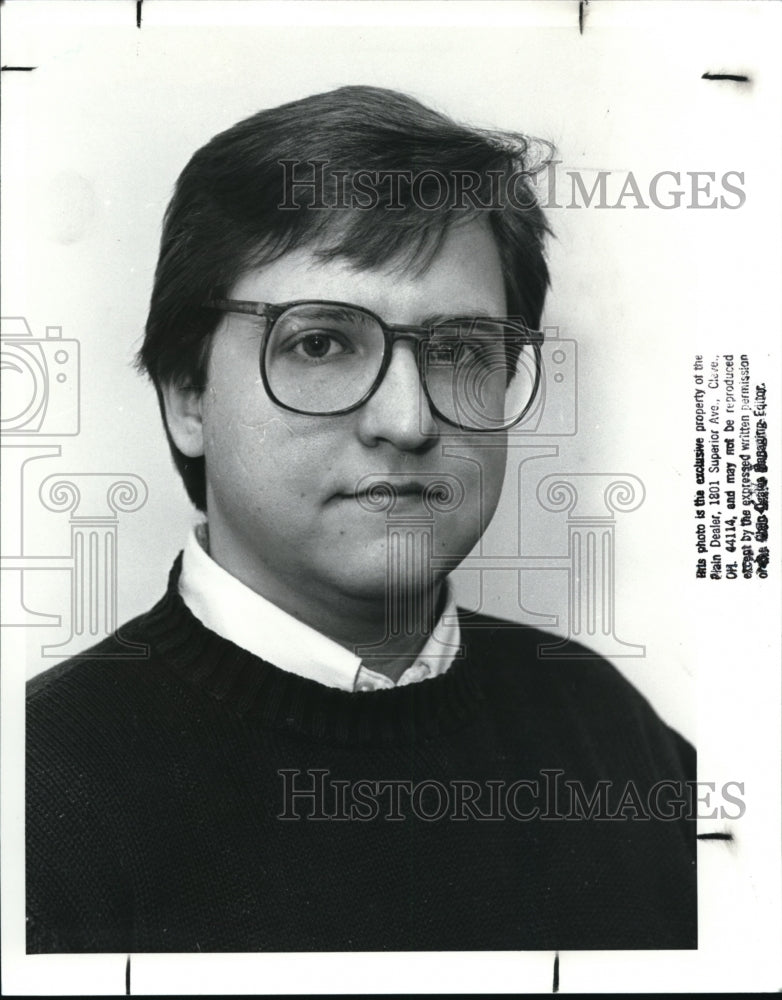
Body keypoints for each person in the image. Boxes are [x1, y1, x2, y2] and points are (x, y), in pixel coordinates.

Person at [26, 85, 696, 953]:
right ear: (188, 394)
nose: (409, 421)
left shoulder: (606, 729)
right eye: (321, 343)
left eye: (461, 352)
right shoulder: (45, 788)